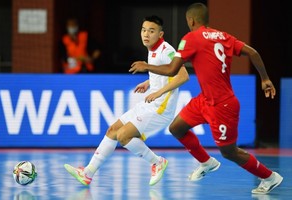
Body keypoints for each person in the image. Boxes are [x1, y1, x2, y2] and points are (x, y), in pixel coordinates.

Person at [130, 3, 283, 195]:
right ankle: (206, 162)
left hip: (222, 105)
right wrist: (266, 79)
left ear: (190, 20)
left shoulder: (190, 38)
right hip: (205, 100)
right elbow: (252, 52)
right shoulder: (223, 36)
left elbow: (172, 70)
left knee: (229, 152)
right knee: (176, 128)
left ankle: (269, 177)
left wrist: (147, 66)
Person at [64, 15, 190, 186]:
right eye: (144, 30)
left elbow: (183, 76)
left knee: (123, 136)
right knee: (113, 130)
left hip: (161, 108)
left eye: (151, 31)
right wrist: (149, 82)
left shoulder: (167, 51)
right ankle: (88, 173)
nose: (146, 34)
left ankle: (157, 162)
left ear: (161, 34)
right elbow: (165, 73)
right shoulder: (152, 48)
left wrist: (158, 91)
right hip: (150, 104)